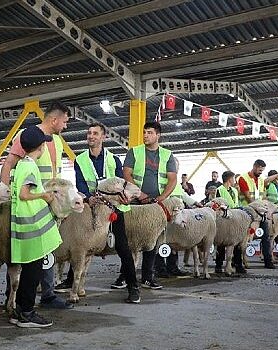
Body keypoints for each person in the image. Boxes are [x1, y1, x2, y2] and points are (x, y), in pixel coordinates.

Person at [56, 123, 140, 303]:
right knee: (80, 243)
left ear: (103, 137)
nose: (91, 136)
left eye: (95, 133)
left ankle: (133, 287)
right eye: (89, 133)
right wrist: (87, 198)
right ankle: (71, 281)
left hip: (114, 210)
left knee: (123, 248)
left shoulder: (113, 159)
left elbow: (120, 183)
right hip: (91, 207)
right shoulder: (80, 160)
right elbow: (80, 184)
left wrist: (124, 198)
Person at [0, 101, 73, 310]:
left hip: (47, 204)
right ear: (54, 119)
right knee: (24, 252)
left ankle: (48, 294)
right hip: (29, 205)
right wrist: (5, 193)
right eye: (65, 122)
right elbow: (8, 163)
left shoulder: (56, 142)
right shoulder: (27, 136)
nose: (65, 126)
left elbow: (54, 175)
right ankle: (12, 296)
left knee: (46, 249)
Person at [8, 125, 63, 327]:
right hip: (32, 227)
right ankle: (27, 313)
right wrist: (44, 195)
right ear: (40, 148)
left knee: (29, 271)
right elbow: (24, 194)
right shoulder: (30, 166)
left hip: (25, 227)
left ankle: (20, 311)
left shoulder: (21, 164)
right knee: (33, 272)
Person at [123, 121, 184, 288]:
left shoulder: (167, 155)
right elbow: (126, 174)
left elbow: (172, 179)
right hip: (135, 201)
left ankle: (148, 277)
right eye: (144, 132)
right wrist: (139, 194)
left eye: (149, 133)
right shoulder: (134, 152)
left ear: (158, 135)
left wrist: (162, 197)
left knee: (153, 240)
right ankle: (124, 276)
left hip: (157, 204)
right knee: (128, 239)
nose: (145, 136)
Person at [237, 159, 278, 269]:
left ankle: (268, 260)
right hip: (246, 213)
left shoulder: (261, 180)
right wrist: (259, 208)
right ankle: (237, 261)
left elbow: (262, 196)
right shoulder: (243, 178)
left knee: (265, 236)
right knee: (242, 238)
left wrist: (265, 207)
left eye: (262, 170)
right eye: (260, 170)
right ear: (255, 166)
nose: (261, 172)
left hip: (260, 213)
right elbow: (248, 197)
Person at [214, 170, 246, 274]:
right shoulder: (219, 190)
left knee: (236, 242)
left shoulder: (235, 191)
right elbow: (217, 204)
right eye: (233, 179)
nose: (235, 181)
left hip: (235, 218)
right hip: (224, 219)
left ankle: (238, 265)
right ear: (229, 179)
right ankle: (218, 265)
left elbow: (236, 203)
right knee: (221, 242)